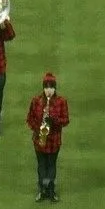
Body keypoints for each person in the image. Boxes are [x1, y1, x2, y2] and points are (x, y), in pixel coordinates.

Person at [27, 73, 69, 202]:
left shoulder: (61, 102)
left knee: (51, 165)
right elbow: (29, 119)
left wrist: (54, 121)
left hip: (54, 140)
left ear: (55, 88)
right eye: (46, 87)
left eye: (51, 87)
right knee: (41, 165)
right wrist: (38, 128)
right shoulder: (36, 101)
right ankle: (41, 189)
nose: (48, 90)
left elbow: (66, 120)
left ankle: (51, 190)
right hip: (40, 139)